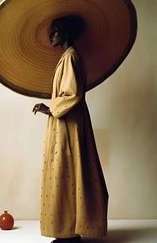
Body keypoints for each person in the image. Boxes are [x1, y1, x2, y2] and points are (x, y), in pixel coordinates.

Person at [33, 15, 108, 243]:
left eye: (55, 30)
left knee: (67, 172)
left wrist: (49, 108)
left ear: (66, 33)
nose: (51, 34)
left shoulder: (72, 57)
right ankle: (66, 230)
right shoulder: (68, 57)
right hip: (66, 121)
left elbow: (73, 94)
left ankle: (69, 232)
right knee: (65, 173)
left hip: (69, 123)